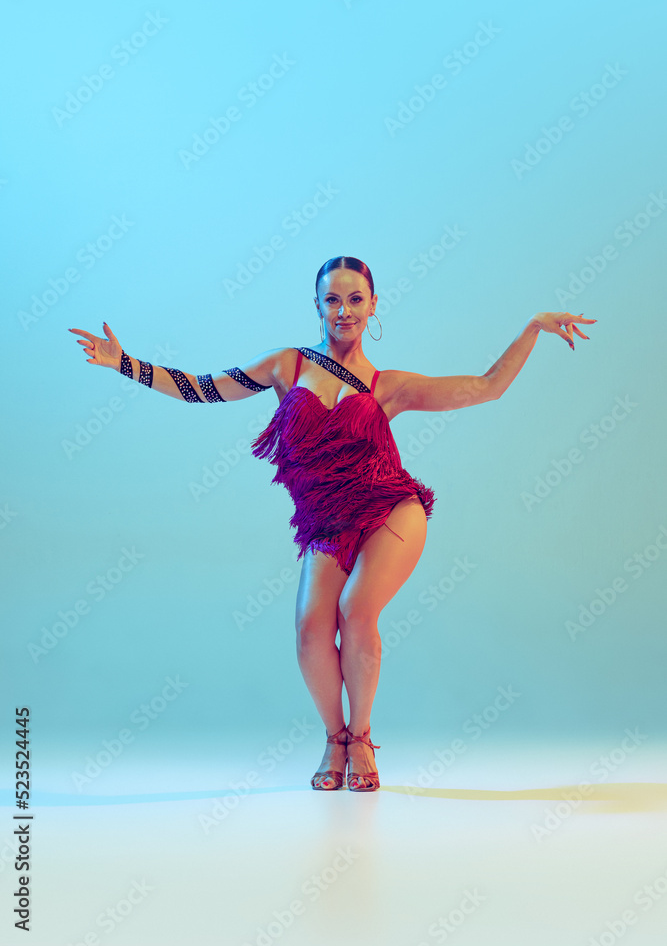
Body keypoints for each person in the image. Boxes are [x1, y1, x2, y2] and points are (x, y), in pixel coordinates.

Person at [68, 256, 597, 792]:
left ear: (373, 305)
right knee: (309, 633)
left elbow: (486, 387)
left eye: (355, 299)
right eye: (333, 299)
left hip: (390, 509)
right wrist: (124, 363)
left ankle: (362, 738)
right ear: (318, 305)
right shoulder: (286, 365)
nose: (344, 310)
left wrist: (533, 327)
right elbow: (203, 387)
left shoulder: (389, 385)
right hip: (326, 522)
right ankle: (335, 738)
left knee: (355, 610)